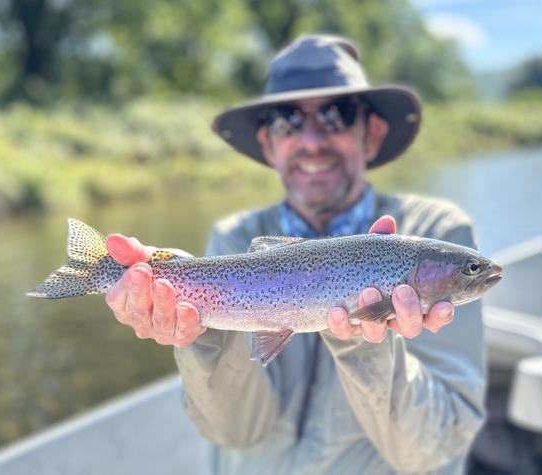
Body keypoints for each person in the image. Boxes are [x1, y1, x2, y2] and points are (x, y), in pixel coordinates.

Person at [105, 35, 486, 474]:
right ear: (268, 143)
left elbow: (434, 449)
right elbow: (236, 432)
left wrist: (363, 339)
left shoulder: (435, 230)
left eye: (335, 115)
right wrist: (199, 331)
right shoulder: (235, 238)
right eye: (288, 120)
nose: (311, 139)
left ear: (372, 132)